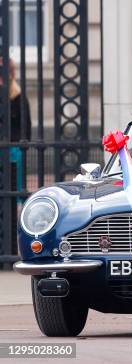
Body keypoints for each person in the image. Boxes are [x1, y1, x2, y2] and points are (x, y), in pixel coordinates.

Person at [0, 58, 31, 257]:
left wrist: (17, 146)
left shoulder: (17, 95)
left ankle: (9, 250)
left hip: (11, 156)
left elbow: (24, 127)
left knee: (10, 201)